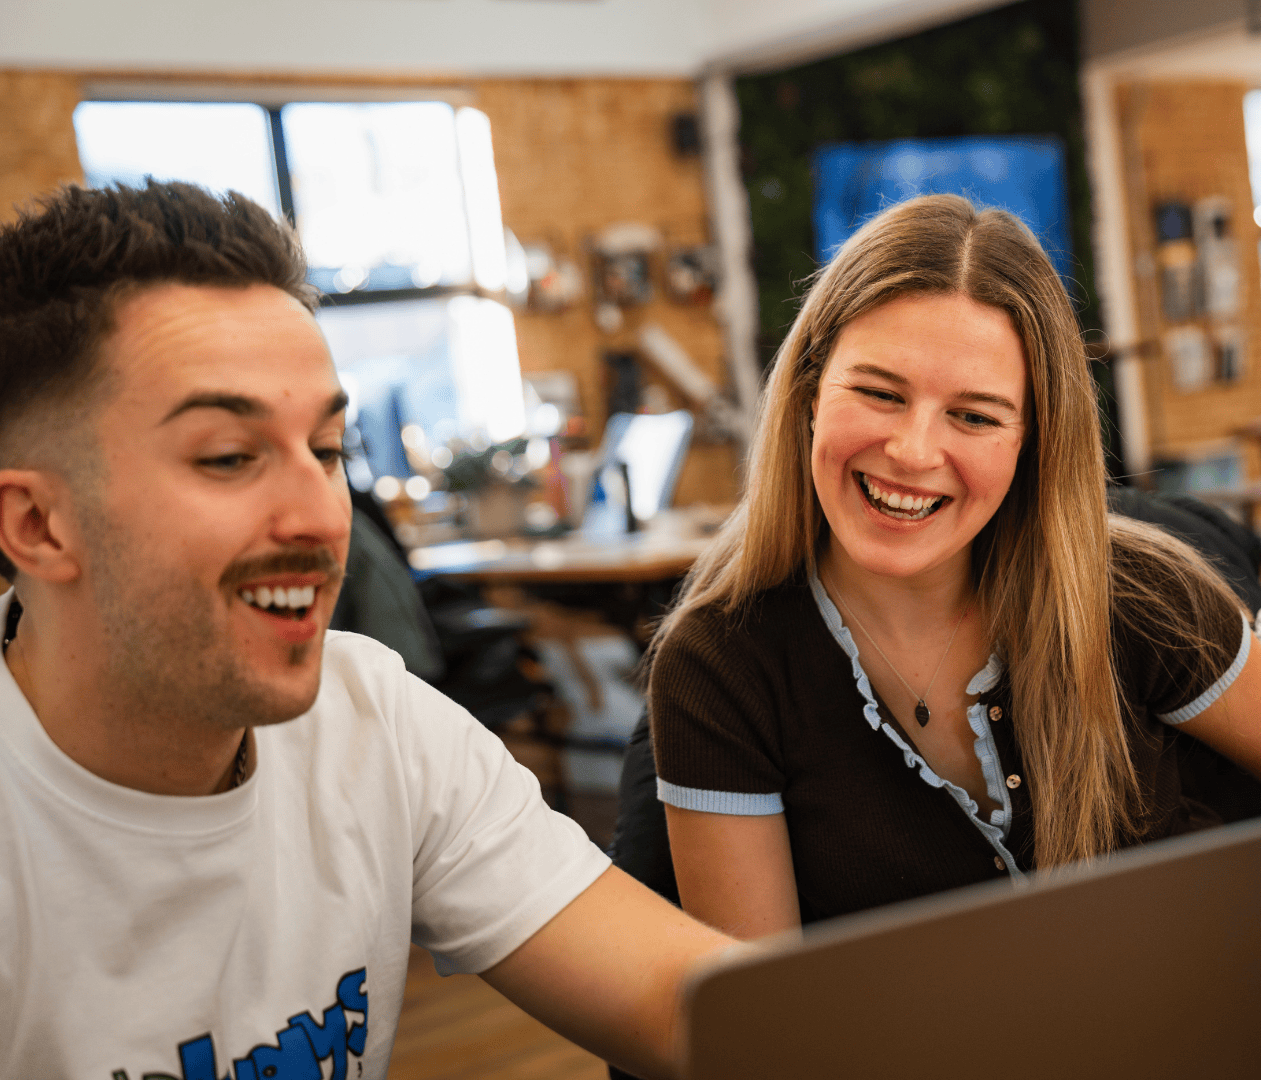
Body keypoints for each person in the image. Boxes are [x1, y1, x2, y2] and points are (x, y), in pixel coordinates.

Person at [0, 181, 730, 1079]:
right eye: (230, 457)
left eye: (328, 451)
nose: (319, 514)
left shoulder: (373, 719)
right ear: (36, 526)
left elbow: (690, 1006)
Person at [647, 194, 1261, 940]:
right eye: (880, 393)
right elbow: (764, 1015)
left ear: (1033, 440)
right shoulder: (718, 665)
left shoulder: (1141, 592)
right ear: (810, 392)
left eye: (975, 416)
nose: (914, 452)